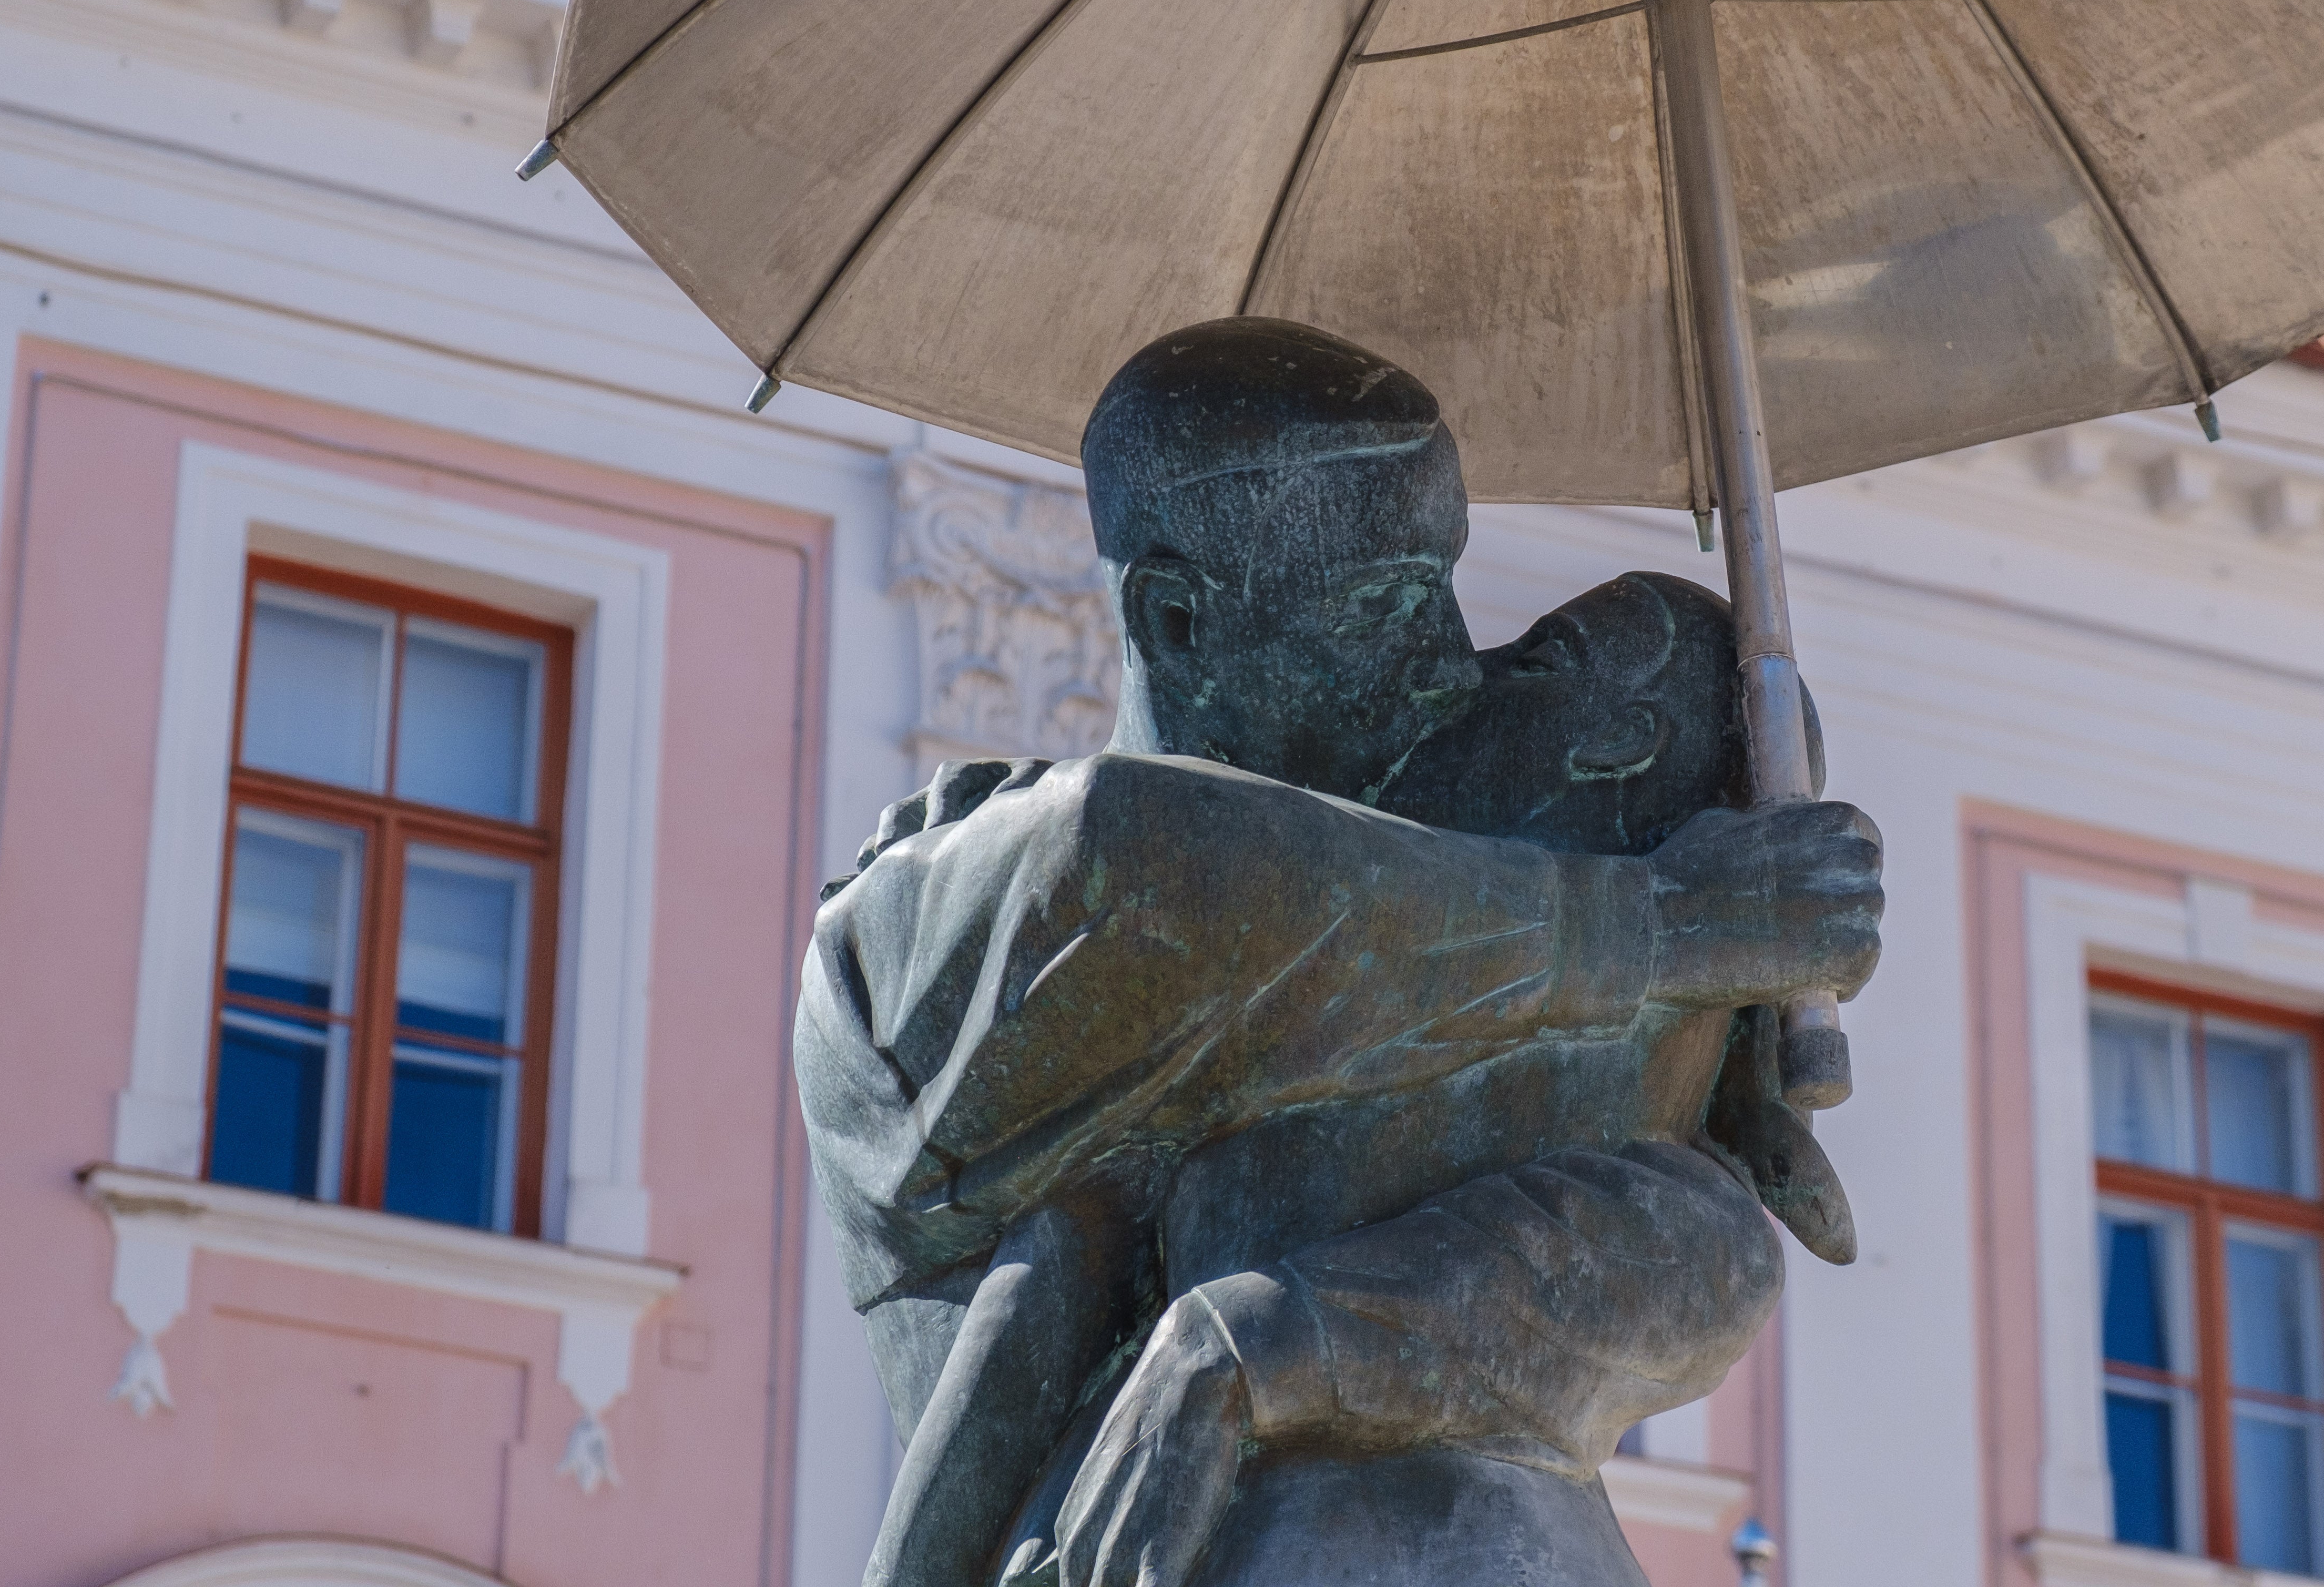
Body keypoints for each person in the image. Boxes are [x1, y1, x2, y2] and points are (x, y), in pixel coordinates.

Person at [797, 320, 1881, 1587]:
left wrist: (1274, 1340)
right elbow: (1159, 868)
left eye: (1448, 580)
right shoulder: (936, 910)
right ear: (1180, 620)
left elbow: (1705, 1246)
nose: (1444, 663)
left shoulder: (1434, 933)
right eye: (1381, 602)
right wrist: (1664, 926)